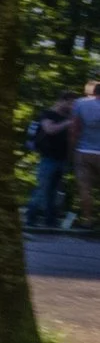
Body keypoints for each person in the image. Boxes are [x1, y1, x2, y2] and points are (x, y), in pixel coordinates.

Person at [29, 95, 76, 229]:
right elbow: (50, 129)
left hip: (62, 159)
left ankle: (50, 220)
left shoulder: (68, 117)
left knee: (54, 191)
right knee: (42, 188)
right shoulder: (48, 114)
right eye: (70, 103)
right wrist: (67, 123)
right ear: (62, 101)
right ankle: (31, 217)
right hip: (48, 158)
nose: (72, 107)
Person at [74, 80, 100, 237]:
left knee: (85, 188)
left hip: (84, 150)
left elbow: (74, 128)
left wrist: (71, 151)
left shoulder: (80, 103)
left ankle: (88, 220)